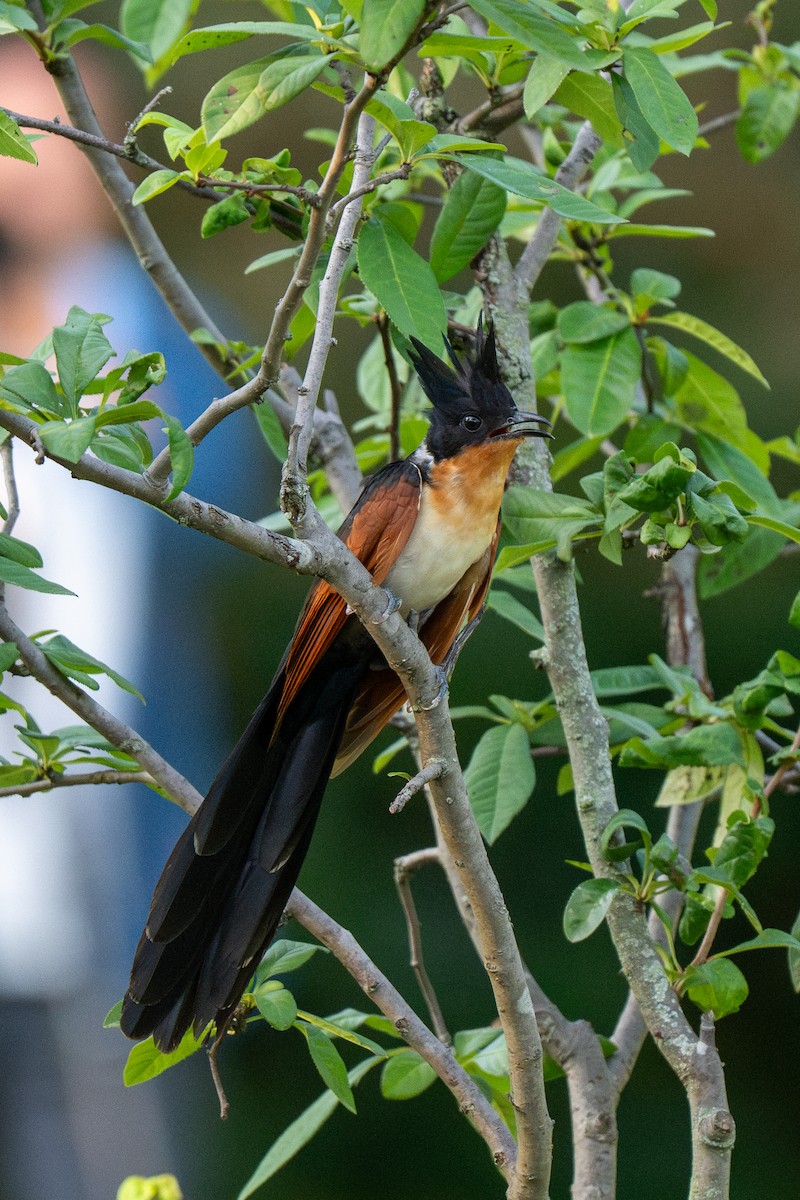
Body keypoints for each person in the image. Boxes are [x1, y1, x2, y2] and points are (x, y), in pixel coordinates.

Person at [0, 42, 275, 1200]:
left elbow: (249, 517)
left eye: (47, 141)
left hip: (116, 850)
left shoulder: (169, 340)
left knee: (118, 1163)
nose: (23, 175)